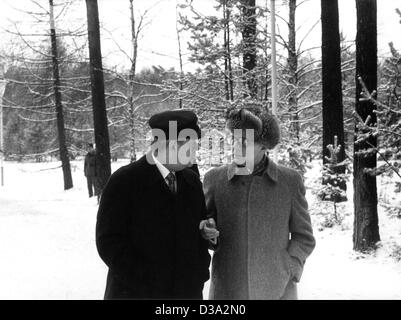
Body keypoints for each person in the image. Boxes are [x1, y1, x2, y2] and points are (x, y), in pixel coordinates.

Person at [201, 108, 316, 300]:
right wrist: (207, 232)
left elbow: (304, 237)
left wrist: (289, 266)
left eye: (244, 142)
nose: (236, 147)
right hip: (228, 290)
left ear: (264, 146)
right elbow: (205, 230)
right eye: (234, 139)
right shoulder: (215, 180)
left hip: (277, 289)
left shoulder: (290, 181)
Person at [96, 110, 211, 299]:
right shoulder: (125, 181)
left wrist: (198, 273)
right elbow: (109, 242)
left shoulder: (191, 181)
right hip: (136, 294)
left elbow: (198, 234)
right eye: (190, 148)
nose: (194, 154)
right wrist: (147, 279)